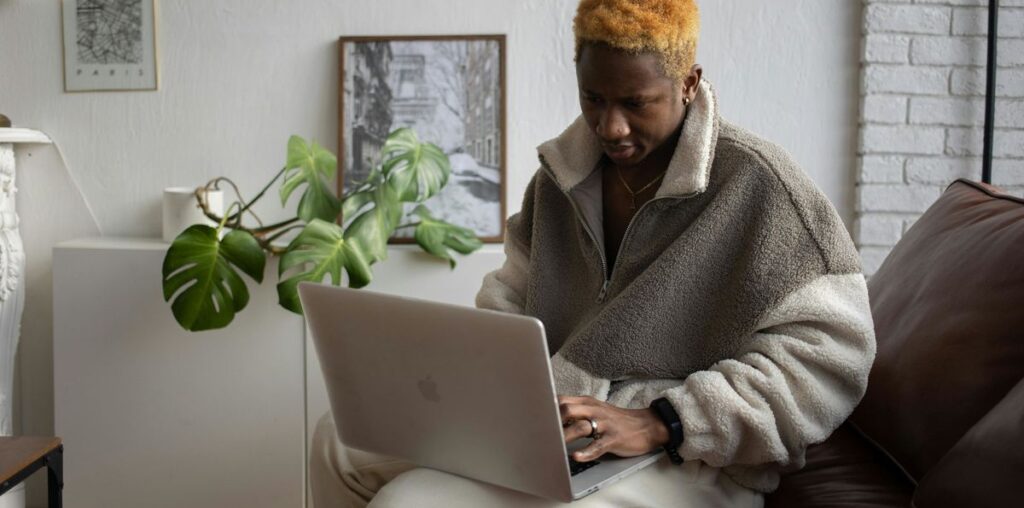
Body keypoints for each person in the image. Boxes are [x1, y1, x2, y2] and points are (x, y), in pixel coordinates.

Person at [310, 0, 876, 506]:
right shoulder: (559, 182)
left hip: (693, 456)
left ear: (688, 82)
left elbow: (829, 359)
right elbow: (510, 296)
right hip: (555, 419)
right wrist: (487, 390)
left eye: (635, 102)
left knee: (411, 502)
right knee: (337, 440)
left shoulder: (762, 188)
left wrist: (665, 421)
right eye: (593, 98)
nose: (610, 125)